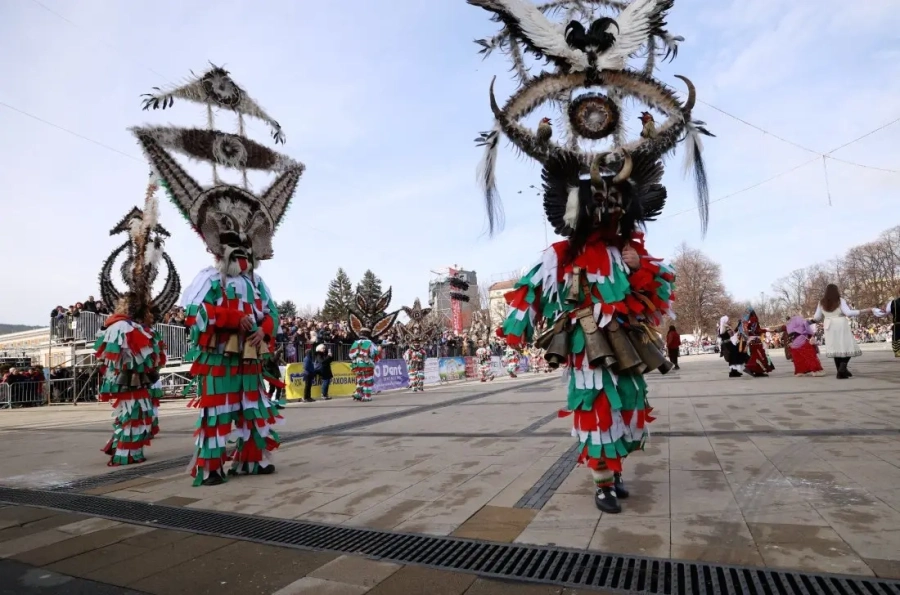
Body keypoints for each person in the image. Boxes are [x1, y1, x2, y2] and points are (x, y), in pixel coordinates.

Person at [471, 0, 704, 514]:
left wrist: (641, 272)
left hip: (626, 343)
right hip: (583, 342)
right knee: (596, 402)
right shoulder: (562, 258)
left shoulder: (626, 254)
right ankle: (601, 482)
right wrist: (517, 323)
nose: (603, 214)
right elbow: (531, 289)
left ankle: (613, 472)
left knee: (624, 403)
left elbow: (652, 291)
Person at [133, 64, 304, 485]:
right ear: (218, 244)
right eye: (233, 245)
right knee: (219, 409)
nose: (241, 253)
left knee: (252, 407)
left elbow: (272, 315)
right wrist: (235, 320)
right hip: (220, 355)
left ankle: (252, 458)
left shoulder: (256, 282)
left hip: (251, 354)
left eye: (246, 247)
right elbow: (196, 315)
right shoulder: (209, 279)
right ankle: (211, 466)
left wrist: (262, 329)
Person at [94, 175, 180, 465]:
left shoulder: (130, 327)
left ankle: (129, 449)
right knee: (133, 413)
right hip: (130, 382)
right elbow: (127, 354)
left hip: (138, 382)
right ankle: (125, 452)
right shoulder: (121, 327)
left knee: (138, 413)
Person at [348, 288, 398, 402]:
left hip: (357, 363)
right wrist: (377, 354)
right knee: (368, 378)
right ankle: (366, 396)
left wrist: (357, 358)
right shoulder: (369, 342)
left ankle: (358, 394)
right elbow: (374, 352)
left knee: (359, 378)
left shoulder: (356, 342)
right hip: (367, 363)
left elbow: (351, 354)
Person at [813, 284, 874, 379]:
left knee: (835, 348)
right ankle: (843, 367)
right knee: (847, 345)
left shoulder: (821, 302)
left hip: (829, 325)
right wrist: (864, 311)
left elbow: (817, 317)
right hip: (840, 323)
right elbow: (848, 313)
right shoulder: (840, 300)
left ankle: (841, 371)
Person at [736, 308, 774, 377]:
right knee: (759, 355)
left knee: (757, 355)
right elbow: (755, 330)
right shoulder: (754, 320)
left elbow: (747, 331)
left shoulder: (745, 321)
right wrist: (766, 330)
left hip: (751, 341)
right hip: (755, 340)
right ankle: (749, 368)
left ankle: (758, 371)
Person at [887, 290, 900, 358]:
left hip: (897, 323)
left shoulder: (894, 302)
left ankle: (897, 351)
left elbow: (889, 311)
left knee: (896, 338)